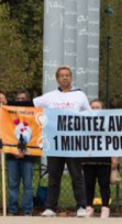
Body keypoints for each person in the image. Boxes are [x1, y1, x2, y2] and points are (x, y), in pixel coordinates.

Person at [33, 66, 91, 217]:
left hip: (73, 143)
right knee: (54, 176)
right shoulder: (50, 96)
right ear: (57, 79)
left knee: (77, 176)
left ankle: (81, 207)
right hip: (55, 143)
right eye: (62, 76)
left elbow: (90, 116)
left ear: (71, 78)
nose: (65, 78)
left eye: (67, 75)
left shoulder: (80, 96)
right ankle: (50, 207)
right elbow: (29, 105)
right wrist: (7, 104)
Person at [0, 90, 39, 216]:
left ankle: (27, 211)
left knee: (28, 185)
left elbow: (36, 134)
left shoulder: (34, 115)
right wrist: (14, 150)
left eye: (23, 99)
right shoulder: (7, 115)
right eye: (18, 99)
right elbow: (3, 132)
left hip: (28, 156)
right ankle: (12, 210)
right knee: (13, 184)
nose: (20, 101)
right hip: (11, 155)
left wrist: (24, 151)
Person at [82, 99, 118, 218]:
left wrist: (114, 158)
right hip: (88, 158)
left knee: (104, 184)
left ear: (103, 109)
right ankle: (88, 207)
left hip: (104, 159)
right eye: (92, 107)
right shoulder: (83, 123)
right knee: (89, 184)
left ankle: (105, 208)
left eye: (98, 107)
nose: (95, 109)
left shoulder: (109, 123)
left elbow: (113, 140)